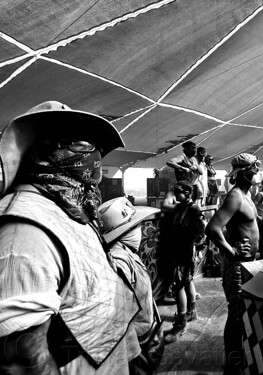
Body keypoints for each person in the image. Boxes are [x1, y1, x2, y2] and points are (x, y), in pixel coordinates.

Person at [0, 101, 142, 374]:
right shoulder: (25, 232)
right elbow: (22, 360)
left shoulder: (69, 209)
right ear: (43, 152)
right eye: (82, 145)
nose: (96, 156)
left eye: (96, 147)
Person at [205, 153, 261, 375]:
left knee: (242, 312)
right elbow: (212, 228)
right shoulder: (235, 197)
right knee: (236, 313)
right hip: (236, 266)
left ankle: (238, 355)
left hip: (248, 264)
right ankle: (233, 363)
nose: (256, 173)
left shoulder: (246, 196)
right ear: (242, 173)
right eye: (253, 169)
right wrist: (231, 249)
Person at [98, 197, 164, 373]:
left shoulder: (127, 252)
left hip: (147, 336)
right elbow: (117, 314)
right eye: (135, 226)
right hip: (137, 346)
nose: (140, 230)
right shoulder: (119, 261)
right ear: (124, 232)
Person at [162, 182, 206, 344]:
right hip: (179, 250)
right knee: (187, 281)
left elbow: (202, 230)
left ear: (187, 193)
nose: (174, 194)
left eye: (178, 192)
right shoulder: (181, 207)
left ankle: (181, 324)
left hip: (186, 251)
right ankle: (191, 311)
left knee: (178, 285)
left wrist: (197, 248)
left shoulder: (193, 209)